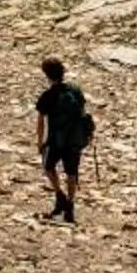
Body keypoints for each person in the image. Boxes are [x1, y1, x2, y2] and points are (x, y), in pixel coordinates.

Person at [34, 56, 93, 224]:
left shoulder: (48, 95)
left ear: (47, 75)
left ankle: (60, 195)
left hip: (56, 140)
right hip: (74, 138)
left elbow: (40, 121)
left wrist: (40, 142)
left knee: (48, 167)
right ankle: (70, 205)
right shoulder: (75, 90)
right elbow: (82, 110)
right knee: (72, 172)